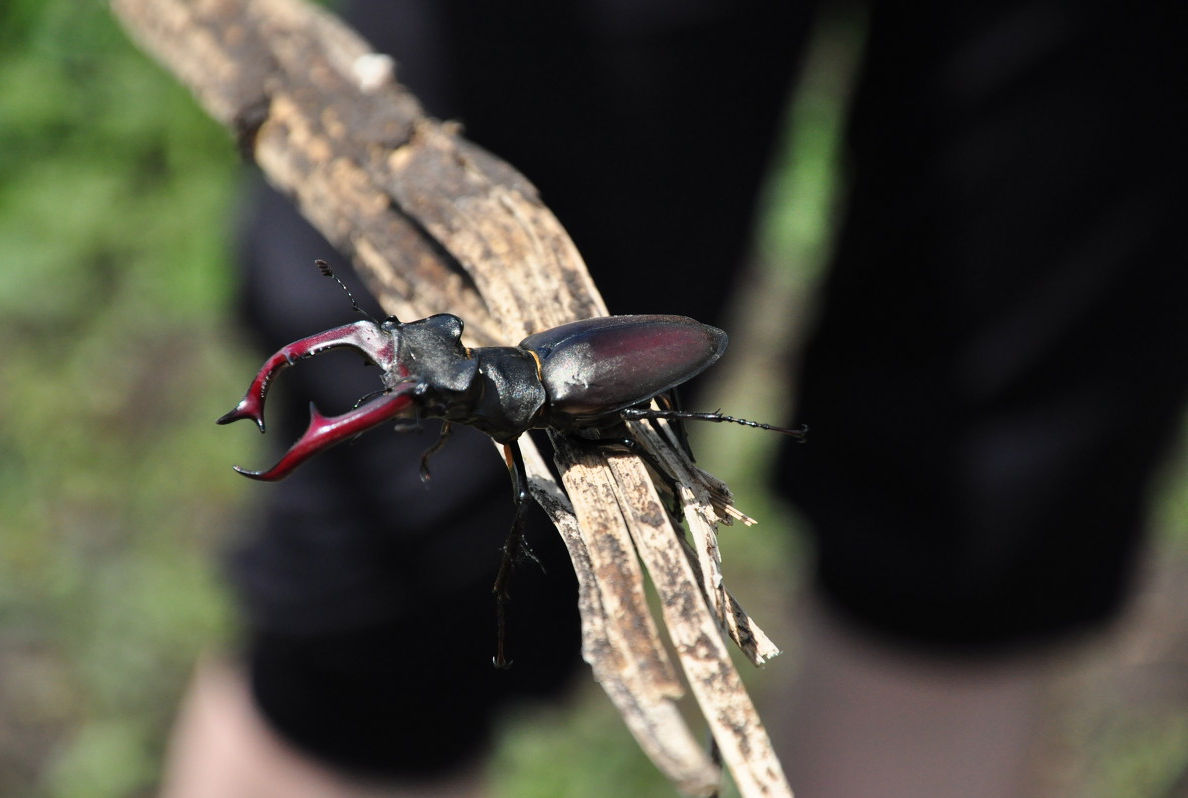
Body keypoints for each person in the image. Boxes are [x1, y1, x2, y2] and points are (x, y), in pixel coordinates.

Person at [159, 1, 1188, 796]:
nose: (428, 401)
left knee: (980, 504)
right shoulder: (499, 380)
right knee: (389, 592)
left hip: (588, 370)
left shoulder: (539, 399)